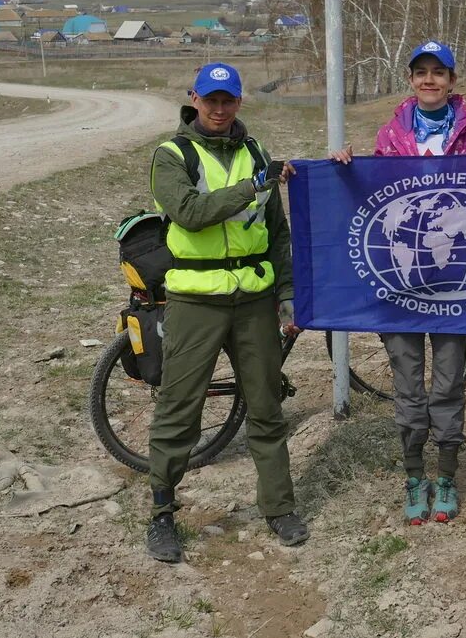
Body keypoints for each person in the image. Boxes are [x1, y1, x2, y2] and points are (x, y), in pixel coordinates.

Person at [330, 40, 466, 525]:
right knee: (408, 386)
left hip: (455, 284)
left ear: (453, 81)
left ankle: (448, 476)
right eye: (421, 72)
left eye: (439, 72)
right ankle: (415, 478)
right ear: (410, 79)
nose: (429, 80)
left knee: (449, 384)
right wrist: (347, 167)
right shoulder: (390, 134)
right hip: (403, 287)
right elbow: (376, 194)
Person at [144, 62, 308, 563]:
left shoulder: (255, 151)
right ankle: (161, 514)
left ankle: (278, 507)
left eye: (228, 100)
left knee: (266, 407)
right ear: (194, 98)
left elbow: (276, 231)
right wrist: (253, 186)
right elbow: (190, 213)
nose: (218, 109)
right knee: (179, 409)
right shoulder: (171, 155)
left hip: (254, 301)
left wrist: (289, 293)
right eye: (210, 99)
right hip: (197, 300)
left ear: (239, 102)